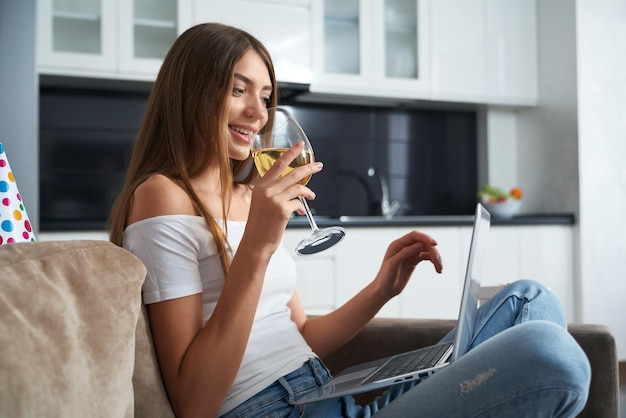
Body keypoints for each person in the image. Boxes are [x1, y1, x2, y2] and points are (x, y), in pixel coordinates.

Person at [109, 22, 591, 418]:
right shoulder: (162, 196)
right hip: (271, 410)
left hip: (328, 398)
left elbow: (300, 335)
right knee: (556, 358)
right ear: (192, 91)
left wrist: (382, 287)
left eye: (266, 95)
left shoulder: (251, 196)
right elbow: (194, 403)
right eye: (238, 90)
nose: (258, 113)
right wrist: (256, 246)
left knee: (529, 300)